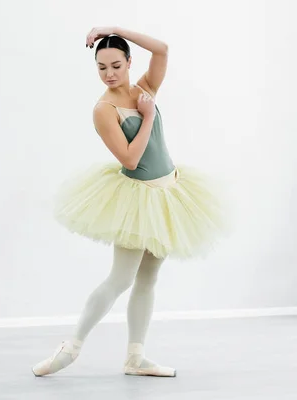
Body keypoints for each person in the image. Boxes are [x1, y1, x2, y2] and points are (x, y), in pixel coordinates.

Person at [31, 27, 228, 378]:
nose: (109, 74)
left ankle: (135, 358)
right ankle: (71, 347)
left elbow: (163, 49)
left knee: (148, 280)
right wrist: (148, 117)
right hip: (137, 201)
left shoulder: (144, 89)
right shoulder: (104, 110)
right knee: (120, 280)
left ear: (128, 62)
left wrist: (115, 29)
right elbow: (131, 161)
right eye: (102, 67)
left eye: (116, 65)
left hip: (169, 194)